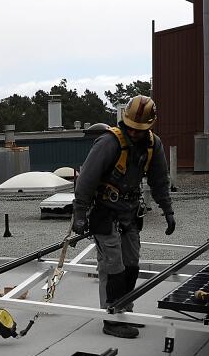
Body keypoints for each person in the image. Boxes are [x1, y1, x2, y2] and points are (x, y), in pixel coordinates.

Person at [72, 95, 175, 339]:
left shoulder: (153, 145)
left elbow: (160, 181)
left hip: (130, 213)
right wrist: (79, 213)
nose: (134, 133)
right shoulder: (108, 143)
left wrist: (167, 211)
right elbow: (86, 180)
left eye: (140, 129)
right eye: (130, 127)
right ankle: (112, 318)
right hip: (106, 213)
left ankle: (125, 310)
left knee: (131, 265)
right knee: (113, 266)